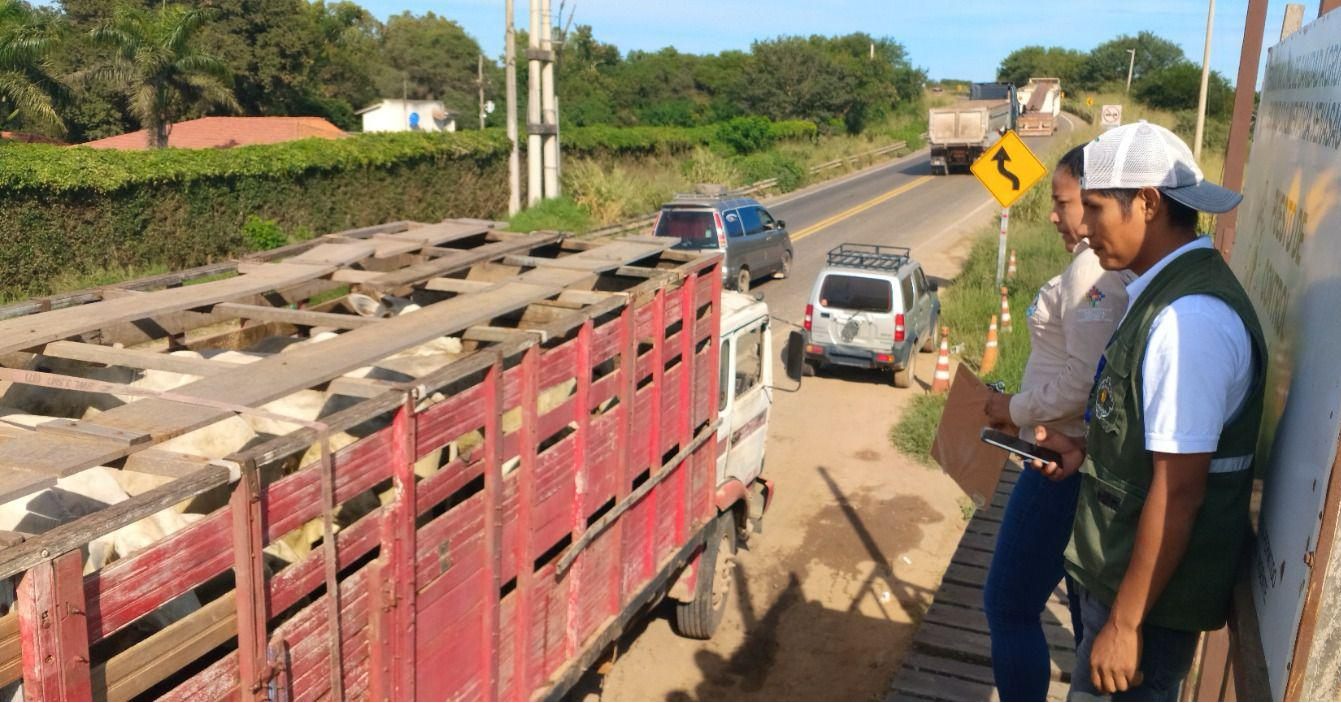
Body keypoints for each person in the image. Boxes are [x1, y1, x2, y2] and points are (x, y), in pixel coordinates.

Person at [1032, 121, 1267, 701]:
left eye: (1094, 208)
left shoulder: (1191, 321)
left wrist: (1126, 623)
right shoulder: (1159, 294)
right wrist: (1087, 452)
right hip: (1121, 587)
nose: (1084, 230)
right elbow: (1155, 440)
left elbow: (1182, 491)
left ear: (1146, 203)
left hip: (1146, 615)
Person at [981, 145, 1130, 701]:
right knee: (1073, 600)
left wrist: (1012, 409)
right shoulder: (1098, 267)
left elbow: (1082, 381)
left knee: (1007, 604)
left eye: (1064, 201)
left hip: (1058, 464)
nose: (1054, 215)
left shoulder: (1094, 272)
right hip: (1069, 451)